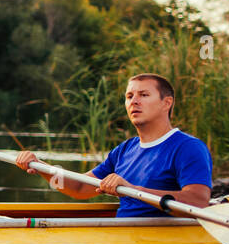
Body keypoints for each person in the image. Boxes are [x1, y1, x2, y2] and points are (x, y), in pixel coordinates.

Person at [14, 73, 212, 216]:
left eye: (144, 95)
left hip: (157, 240)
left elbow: (198, 201)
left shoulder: (188, 147)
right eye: (129, 96)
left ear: (166, 103)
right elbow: (80, 188)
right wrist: (41, 167)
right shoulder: (125, 150)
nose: (134, 101)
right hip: (125, 234)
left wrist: (132, 188)